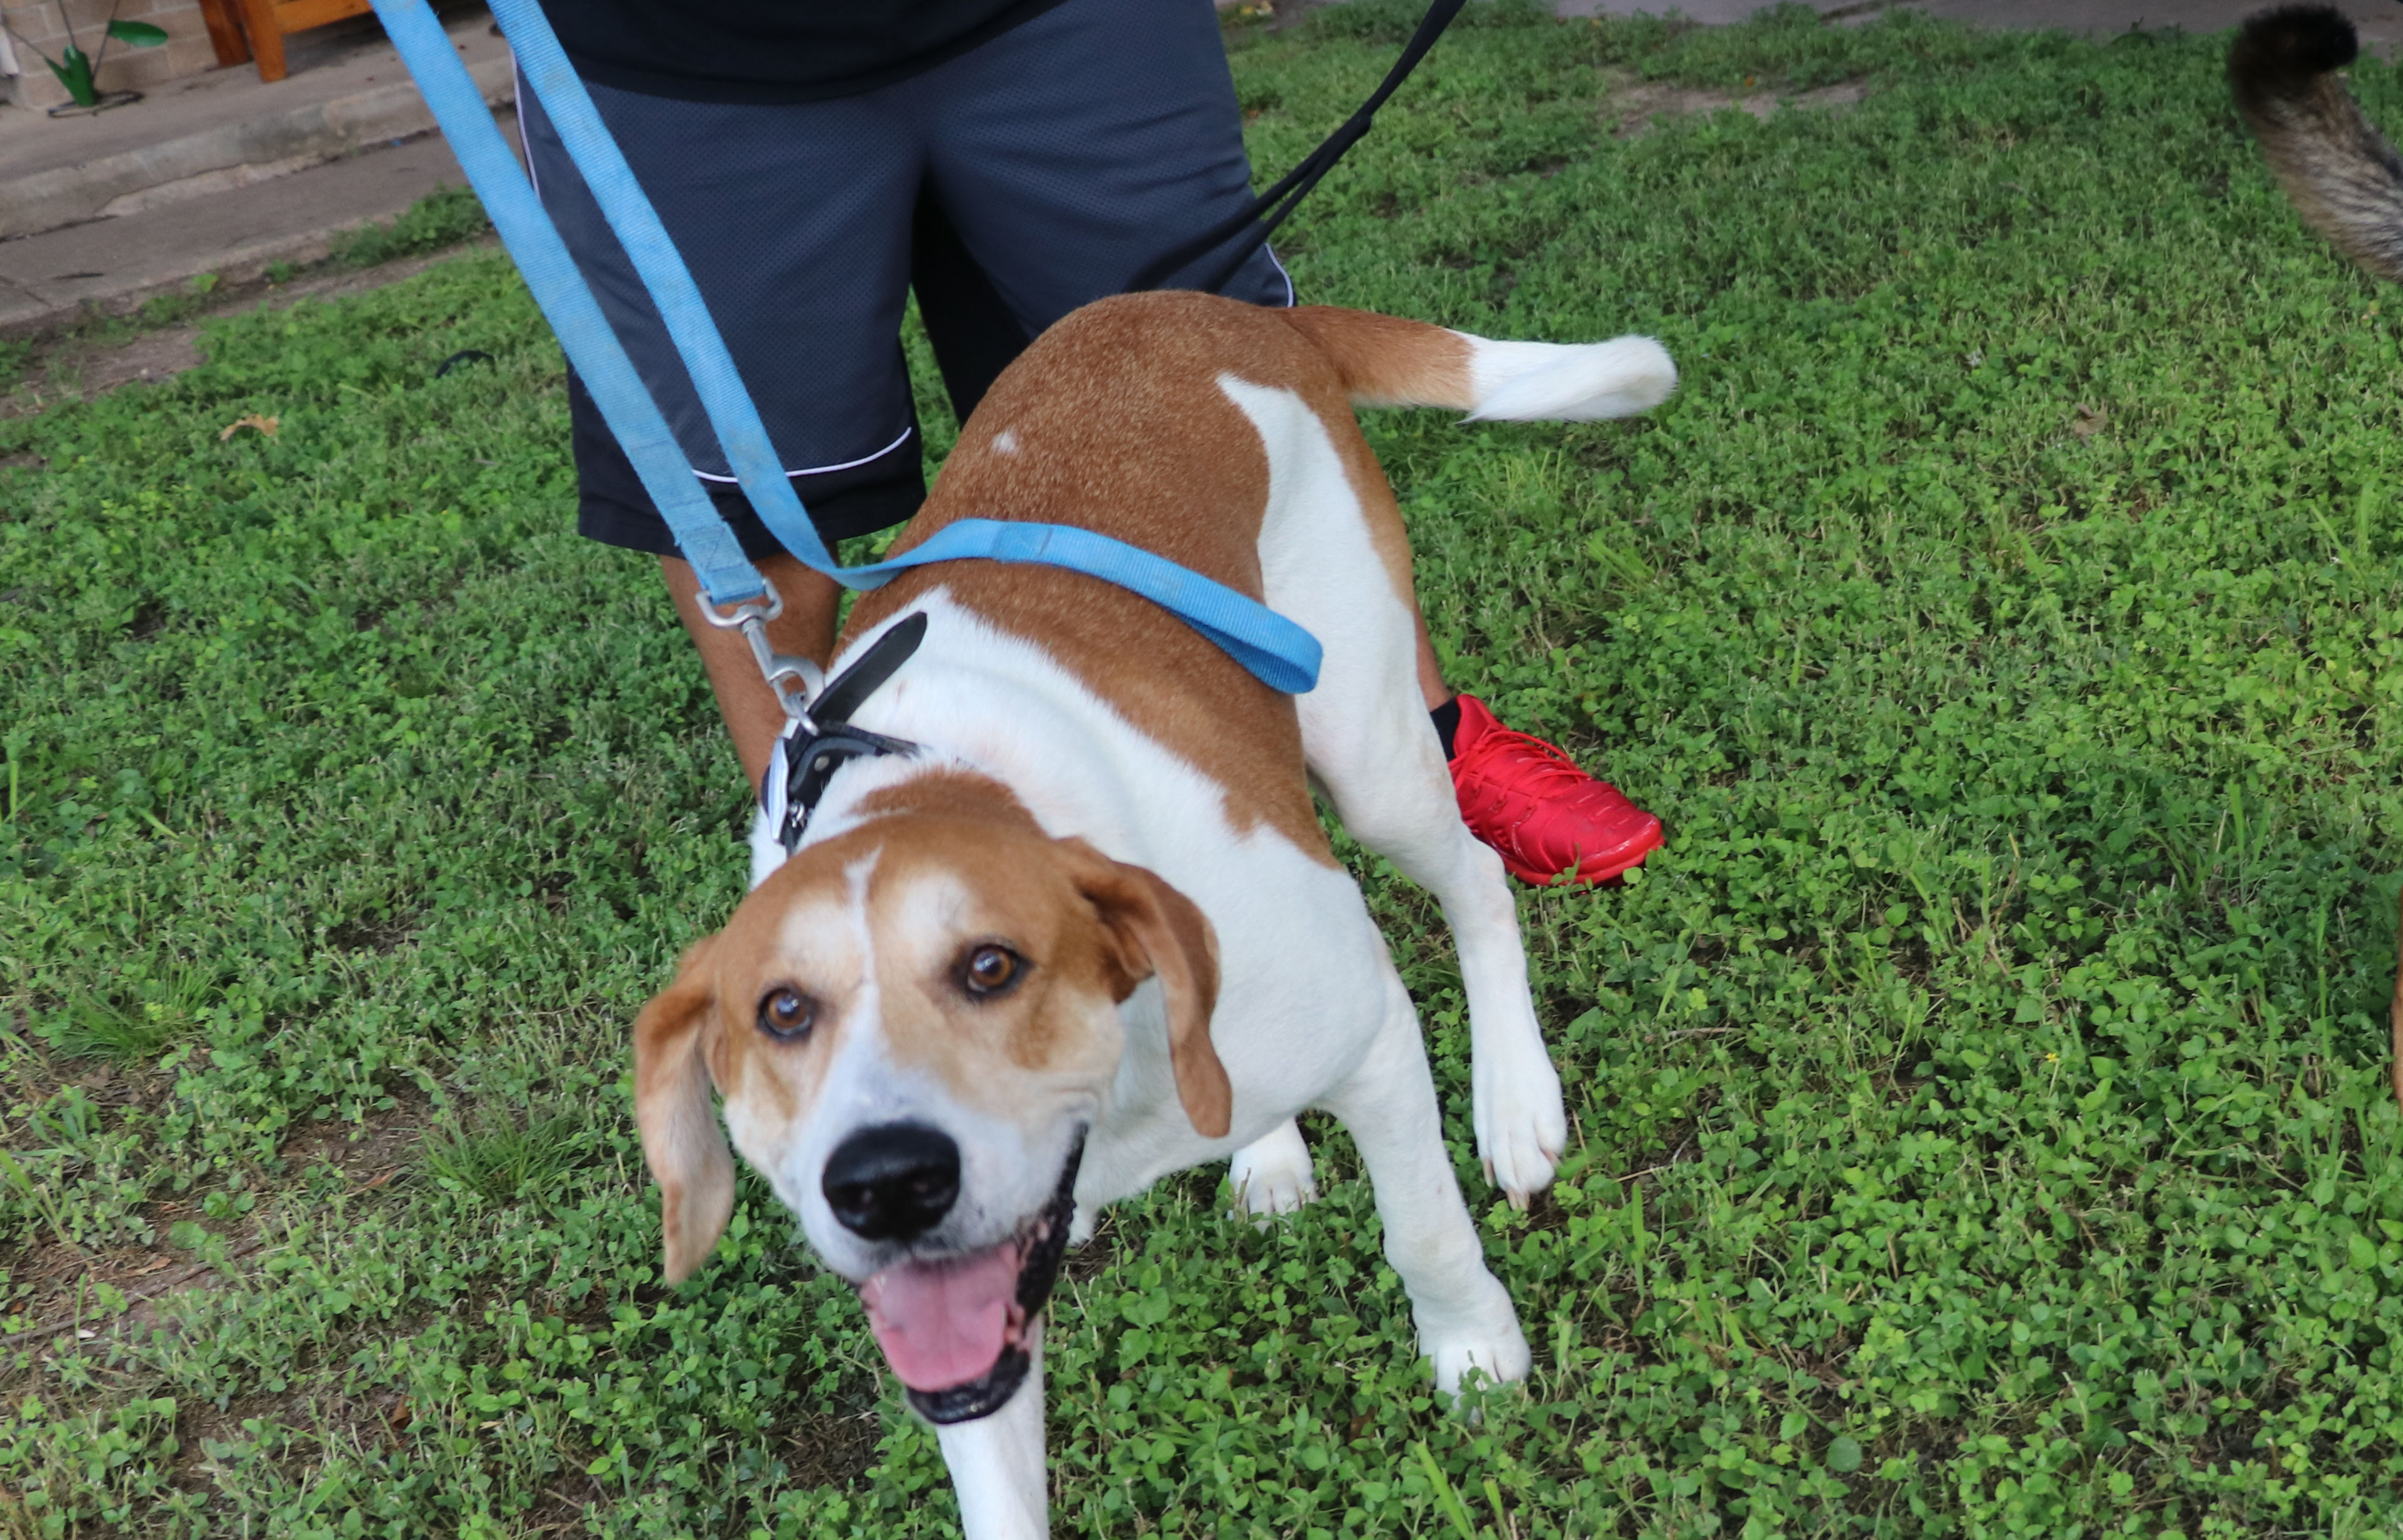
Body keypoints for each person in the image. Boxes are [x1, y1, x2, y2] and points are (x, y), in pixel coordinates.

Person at [519, 0, 1664, 887]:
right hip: (671, 56)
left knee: (1216, 377)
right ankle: (819, 847)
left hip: (1064, 26)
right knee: (755, 500)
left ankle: (1426, 738)